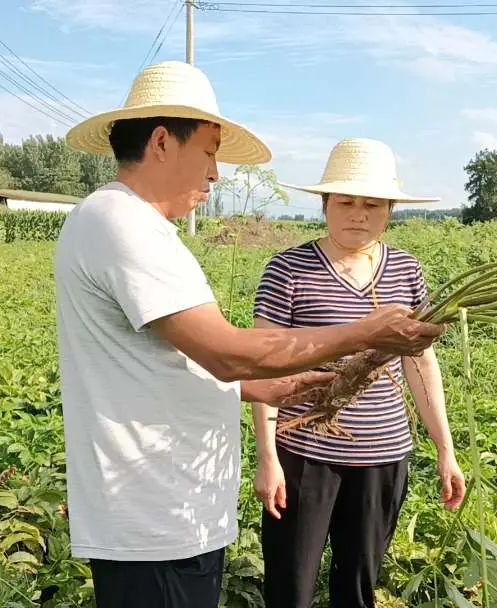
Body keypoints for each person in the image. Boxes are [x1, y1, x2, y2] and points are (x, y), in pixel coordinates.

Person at [55, 62, 449, 608]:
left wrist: (256, 388)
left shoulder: (129, 224)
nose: (216, 173)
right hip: (154, 513)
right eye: (210, 152)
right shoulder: (122, 224)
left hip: (167, 506)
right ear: (163, 142)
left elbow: (162, 361)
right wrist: (365, 331)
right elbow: (225, 350)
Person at [250, 138, 467, 608]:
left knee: (359, 586)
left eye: (372, 204)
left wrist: (445, 450)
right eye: (345, 201)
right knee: (291, 585)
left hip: (384, 455)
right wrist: (267, 457)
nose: (358, 214)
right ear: (325, 204)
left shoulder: (407, 271)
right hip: (304, 453)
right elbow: (261, 364)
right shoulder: (287, 269)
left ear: (389, 210)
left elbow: (420, 361)